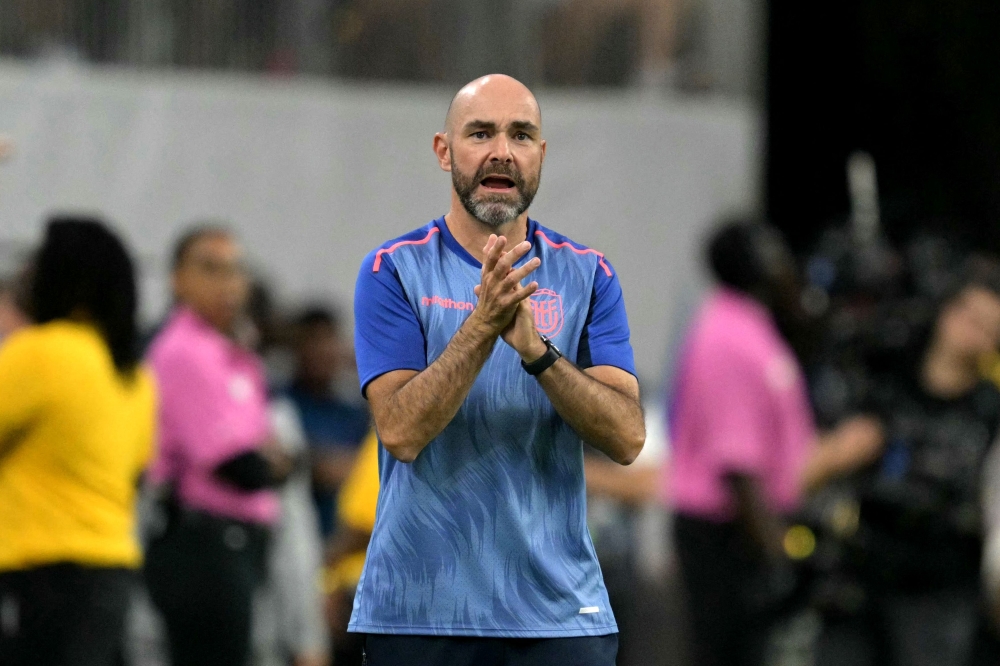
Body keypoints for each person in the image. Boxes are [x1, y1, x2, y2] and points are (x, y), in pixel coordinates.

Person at [348, 74, 645, 666]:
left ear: (541, 155)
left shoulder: (590, 274)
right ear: (443, 151)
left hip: (560, 618)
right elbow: (401, 432)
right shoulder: (393, 270)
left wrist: (538, 353)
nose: (501, 151)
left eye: (521, 135)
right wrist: (483, 326)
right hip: (419, 615)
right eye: (480, 133)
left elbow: (627, 436)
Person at [667, 220, 883, 666]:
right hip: (728, 531)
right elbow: (737, 465)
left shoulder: (751, 324)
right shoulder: (729, 335)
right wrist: (776, 554)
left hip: (743, 525)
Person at [818, 263, 1000, 666]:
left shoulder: (988, 414)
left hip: (940, 588)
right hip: (863, 575)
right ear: (947, 311)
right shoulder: (888, 387)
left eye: (988, 326)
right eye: (968, 314)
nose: (971, 331)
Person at [0, 217, 157, 666]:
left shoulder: (41, 351)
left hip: (41, 574)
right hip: (110, 574)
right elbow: (137, 470)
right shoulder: (135, 375)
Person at [143, 225, 293, 666]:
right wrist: (276, 464)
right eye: (209, 268)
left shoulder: (234, 352)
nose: (227, 282)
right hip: (202, 545)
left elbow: (276, 456)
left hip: (234, 543)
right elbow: (243, 466)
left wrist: (277, 462)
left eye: (234, 270)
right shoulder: (183, 351)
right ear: (176, 280)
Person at [285, 307, 370, 539]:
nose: (322, 351)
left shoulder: (354, 412)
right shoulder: (280, 404)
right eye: (312, 340)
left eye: (329, 339)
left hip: (347, 542)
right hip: (295, 539)